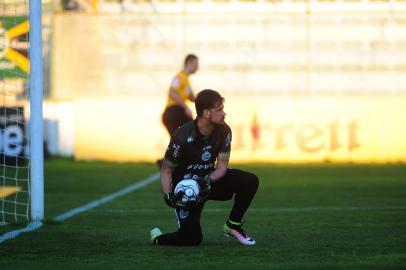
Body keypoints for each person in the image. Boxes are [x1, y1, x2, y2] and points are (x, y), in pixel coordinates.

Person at [150, 89, 259, 246]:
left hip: (208, 182)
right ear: (206, 113)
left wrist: (206, 180)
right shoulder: (182, 135)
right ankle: (157, 238)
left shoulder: (224, 131)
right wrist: (168, 195)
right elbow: (166, 170)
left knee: (249, 181)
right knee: (191, 239)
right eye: (219, 109)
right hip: (186, 191)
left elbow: (222, 167)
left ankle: (233, 225)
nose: (224, 113)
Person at [157, 54, 199, 168]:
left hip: (177, 113)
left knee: (182, 141)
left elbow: (191, 97)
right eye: (196, 64)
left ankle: (165, 163)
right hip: (173, 112)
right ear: (189, 63)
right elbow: (171, 92)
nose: (197, 67)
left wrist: (203, 100)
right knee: (190, 133)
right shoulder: (179, 77)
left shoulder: (186, 80)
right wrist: (185, 107)